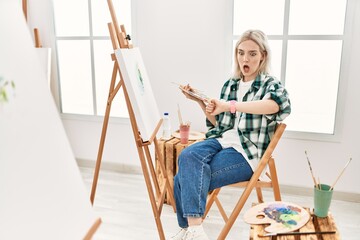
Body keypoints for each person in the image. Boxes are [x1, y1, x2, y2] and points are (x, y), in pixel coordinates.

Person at [168, 29, 291, 240]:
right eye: (241, 52)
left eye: (252, 54)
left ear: (263, 55)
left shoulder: (271, 84)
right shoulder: (231, 84)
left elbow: (276, 106)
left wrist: (231, 105)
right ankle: (193, 230)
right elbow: (221, 124)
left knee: (183, 178)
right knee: (187, 156)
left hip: (246, 152)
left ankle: (191, 230)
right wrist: (200, 101)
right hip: (221, 141)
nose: (246, 58)